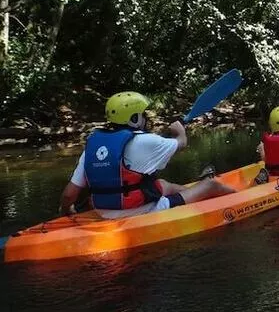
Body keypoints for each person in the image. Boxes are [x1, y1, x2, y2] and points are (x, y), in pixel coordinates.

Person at [58, 91, 236, 218]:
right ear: (134, 118)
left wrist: (67, 211)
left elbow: (69, 194)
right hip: (139, 211)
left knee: (165, 185)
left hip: (102, 211)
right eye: (142, 114)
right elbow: (182, 143)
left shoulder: (93, 144)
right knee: (211, 184)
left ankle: (196, 198)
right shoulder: (145, 141)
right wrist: (180, 131)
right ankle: (240, 197)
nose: (145, 118)